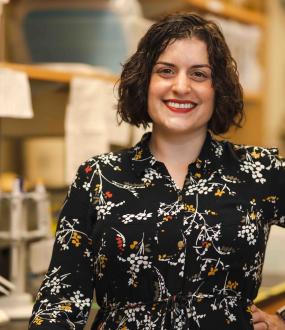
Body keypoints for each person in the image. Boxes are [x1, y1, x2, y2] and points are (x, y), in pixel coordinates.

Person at [28, 12, 285, 330]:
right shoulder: (97, 177)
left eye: (199, 74)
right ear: (144, 81)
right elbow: (60, 297)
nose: (181, 86)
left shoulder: (260, 170)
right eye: (166, 71)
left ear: (217, 87)